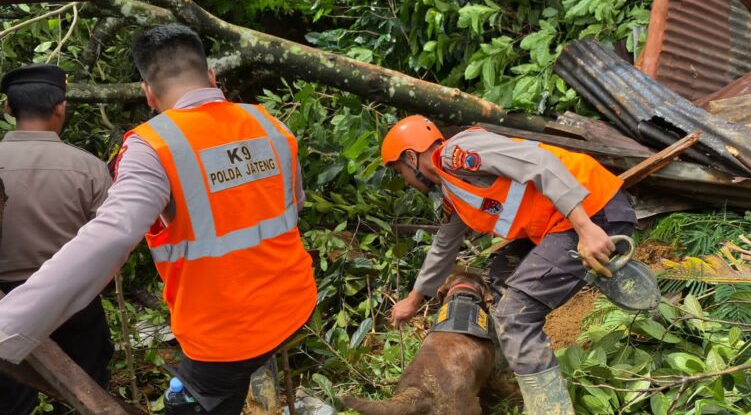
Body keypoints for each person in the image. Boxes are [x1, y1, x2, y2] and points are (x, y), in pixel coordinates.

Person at [0, 25, 317, 415]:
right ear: (212, 77)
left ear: (148, 92)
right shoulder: (270, 124)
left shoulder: (154, 146)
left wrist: (8, 324)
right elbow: (291, 205)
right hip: (295, 305)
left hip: (224, 338)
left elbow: (111, 235)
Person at [382, 116, 637, 414]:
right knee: (502, 278)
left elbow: (541, 163)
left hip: (593, 210)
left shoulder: (458, 154)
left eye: (402, 172)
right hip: (555, 224)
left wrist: (586, 229)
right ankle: (510, 378)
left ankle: (550, 410)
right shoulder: (453, 190)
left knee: (515, 316)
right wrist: (414, 300)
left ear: (411, 156)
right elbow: (444, 245)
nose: (407, 182)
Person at [0, 64, 114, 415]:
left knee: (10, 401)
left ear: (9, 108)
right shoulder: (89, 167)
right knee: (89, 394)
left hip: (4, 303)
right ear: (60, 107)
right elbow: (109, 239)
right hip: (73, 303)